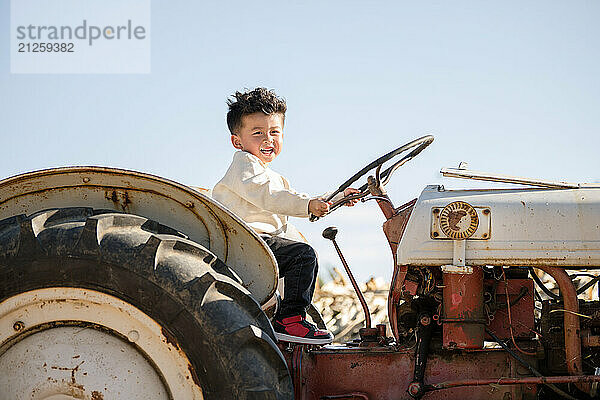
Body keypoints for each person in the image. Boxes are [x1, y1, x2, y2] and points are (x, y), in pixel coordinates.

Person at [213, 87, 358, 345]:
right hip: (245, 243)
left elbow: (291, 199)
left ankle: (290, 318)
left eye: (274, 132)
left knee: (300, 252)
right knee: (303, 256)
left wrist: (336, 198)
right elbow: (270, 196)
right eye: (257, 133)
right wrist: (307, 205)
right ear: (238, 141)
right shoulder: (244, 166)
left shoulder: (270, 175)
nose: (268, 139)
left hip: (260, 242)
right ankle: (290, 320)